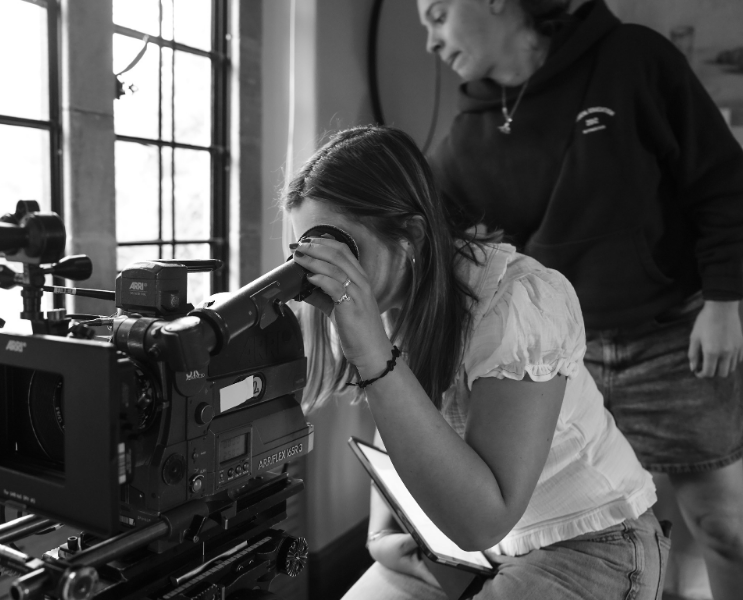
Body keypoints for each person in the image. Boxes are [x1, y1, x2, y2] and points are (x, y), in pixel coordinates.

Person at [417, 0, 743, 599]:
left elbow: (721, 184)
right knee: (604, 543)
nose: (429, 40)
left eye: (436, 14)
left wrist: (723, 302)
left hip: (670, 340)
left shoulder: (633, 58)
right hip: (561, 364)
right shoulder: (470, 132)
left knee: (723, 529)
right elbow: (420, 219)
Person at [283, 125, 668, 599]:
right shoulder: (391, 301)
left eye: (343, 251)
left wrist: (372, 354)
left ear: (411, 234)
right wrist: (383, 531)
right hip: (480, 550)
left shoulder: (518, 302)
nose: (329, 272)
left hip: (591, 542)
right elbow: (402, 424)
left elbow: (484, 519)